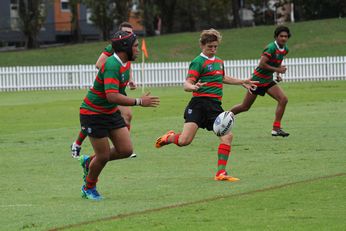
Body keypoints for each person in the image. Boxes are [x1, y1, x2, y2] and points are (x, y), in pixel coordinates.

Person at [155, 29, 257, 181]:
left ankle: (221, 173)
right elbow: (186, 83)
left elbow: (222, 78)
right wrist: (193, 87)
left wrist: (242, 81)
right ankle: (169, 137)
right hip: (198, 104)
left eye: (215, 46)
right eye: (210, 46)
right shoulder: (198, 62)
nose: (213, 49)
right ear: (202, 45)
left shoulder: (219, 62)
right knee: (184, 141)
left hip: (214, 106)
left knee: (227, 136)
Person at [79, 31, 159, 200]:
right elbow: (112, 96)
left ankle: (88, 162)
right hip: (93, 113)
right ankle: (89, 187)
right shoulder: (112, 65)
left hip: (109, 112)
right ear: (125, 48)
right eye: (135, 46)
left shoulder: (124, 64)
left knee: (126, 150)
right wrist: (139, 101)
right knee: (103, 156)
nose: (137, 49)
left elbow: (116, 96)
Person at [71, 22, 137, 158]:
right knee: (94, 115)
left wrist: (130, 79)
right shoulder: (114, 47)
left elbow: (126, 65)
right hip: (109, 88)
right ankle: (77, 144)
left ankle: (122, 148)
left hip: (118, 89)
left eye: (131, 33)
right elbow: (99, 64)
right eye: (126, 32)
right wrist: (111, 73)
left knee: (127, 116)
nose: (130, 35)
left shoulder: (129, 49)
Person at [229, 26, 291, 137]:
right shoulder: (271, 48)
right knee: (245, 107)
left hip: (268, 81)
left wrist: (278, 74)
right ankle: (223, 118)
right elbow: (262, 64)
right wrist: (278, 70)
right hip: (257, 81)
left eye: (286, 36)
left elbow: (277, 63)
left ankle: (276, 128)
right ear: (276, 37)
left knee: (283, 99)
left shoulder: (285, 49)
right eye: (281, 36)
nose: (283, 38)